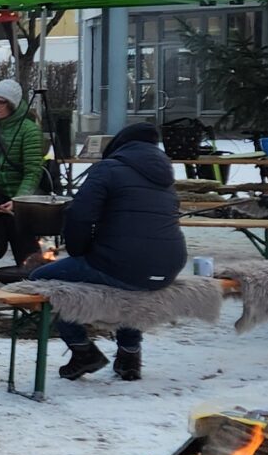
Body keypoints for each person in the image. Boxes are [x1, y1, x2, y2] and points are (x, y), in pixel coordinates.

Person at [38, 123, 185, 382]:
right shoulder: (164, 176)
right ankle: (129, 355)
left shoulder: (108, 169)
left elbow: (79, 215)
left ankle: (82, 350)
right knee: (130, 288)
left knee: (42, 280)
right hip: (169, 265)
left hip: (121, 262)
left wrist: (79, 251)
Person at [0, 78, 47, 262]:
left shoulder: (29, 131)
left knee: (23, 242)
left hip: (20, 197)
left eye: (0, 102)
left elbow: (33, 171)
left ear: (12, 104)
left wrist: (19, 200)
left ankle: (31, 276)